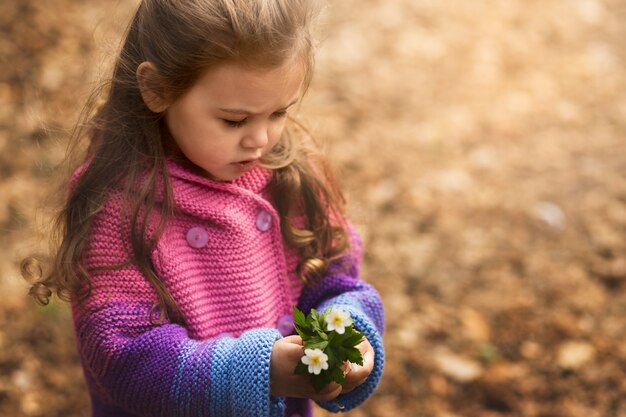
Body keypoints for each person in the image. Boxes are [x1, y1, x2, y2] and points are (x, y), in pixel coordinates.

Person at [22, 1, 385, 416]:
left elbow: (336, 281)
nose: (261, 140)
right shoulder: (120, 208)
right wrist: (257, 370)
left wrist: (349, 329)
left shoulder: (291, 176)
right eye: (234, 121)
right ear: (157, 90)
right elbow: (122, 357)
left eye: (279, 112)